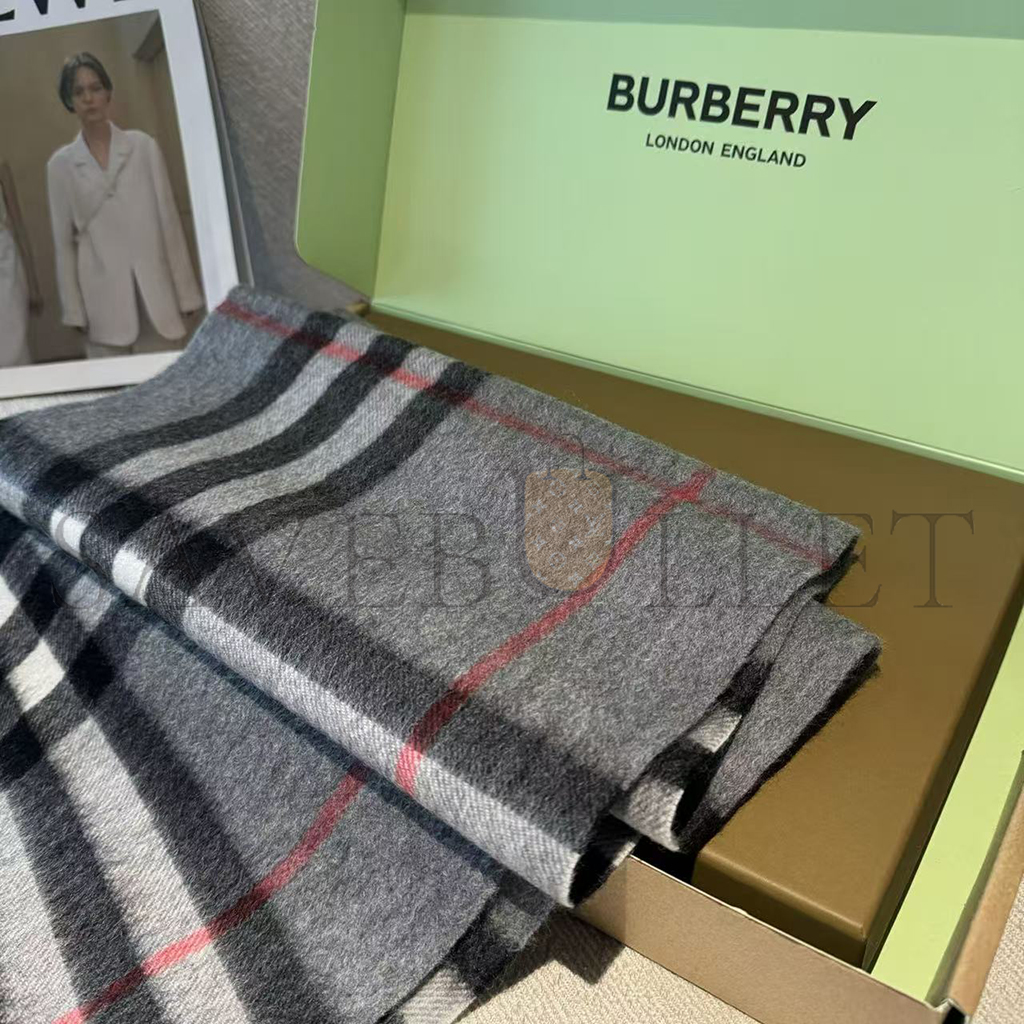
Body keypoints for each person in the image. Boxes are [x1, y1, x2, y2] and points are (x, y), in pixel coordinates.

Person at [46, 52, 204, 359]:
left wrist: (186, 295)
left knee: (165, 376)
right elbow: (63, 245)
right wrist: (74, 310)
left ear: (108, 92)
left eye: (95, 88)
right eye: (78, 92)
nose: (89, 98)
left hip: (156, 294)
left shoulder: (142, 147)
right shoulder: (60, 166)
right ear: (69, 101)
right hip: (101, 302)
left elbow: (169, 223)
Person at [0, 159, 42, 367]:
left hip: (6, 262)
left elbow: (18, 226)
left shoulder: (1, 168)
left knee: (14, 341)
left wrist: (33, 286)